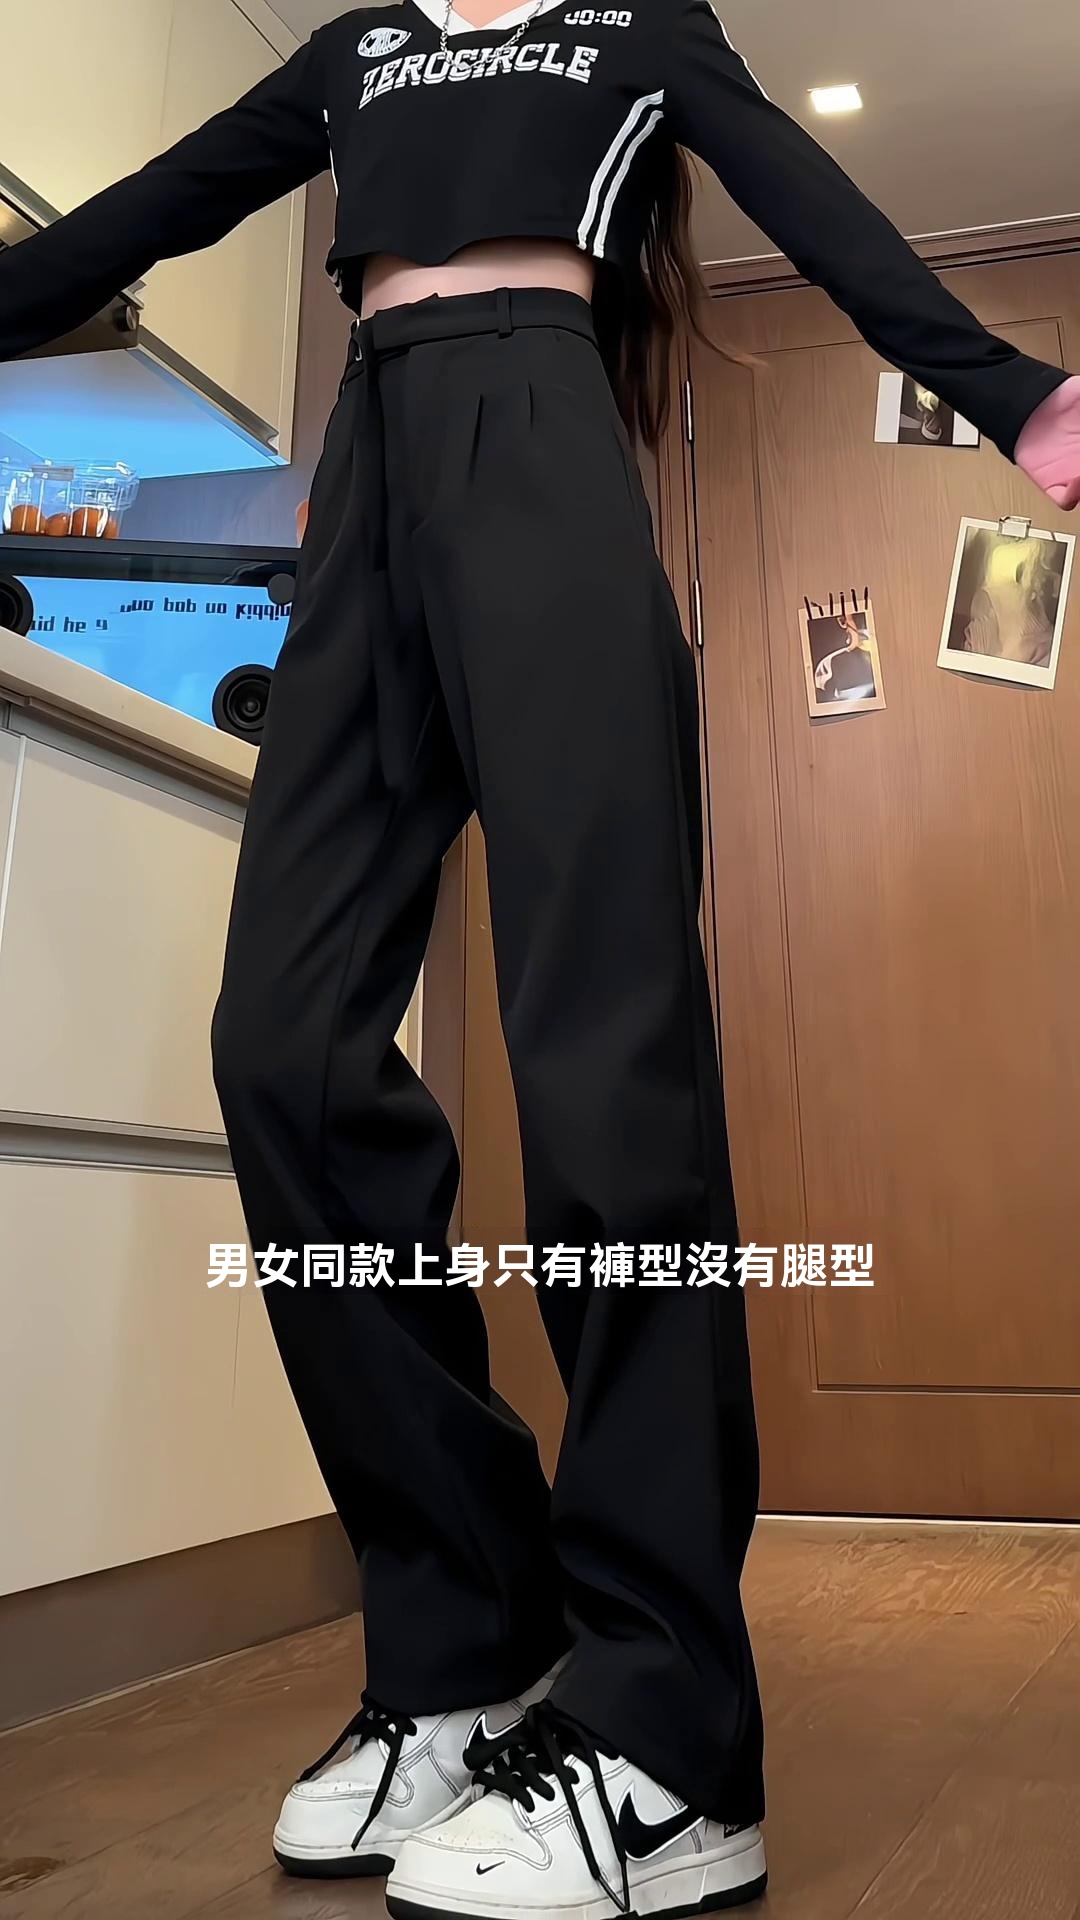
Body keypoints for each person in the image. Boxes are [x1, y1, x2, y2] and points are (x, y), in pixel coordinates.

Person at [3, 2, 1078, 1914]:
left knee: (602, 1063)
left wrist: (1018, 395)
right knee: (282, 1051)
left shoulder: (630, 28)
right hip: (368, 479)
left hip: (539, 435)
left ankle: (672, 1729)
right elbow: (147, 211)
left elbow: (811, 201)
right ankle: (465, 1640)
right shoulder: (355, 47)